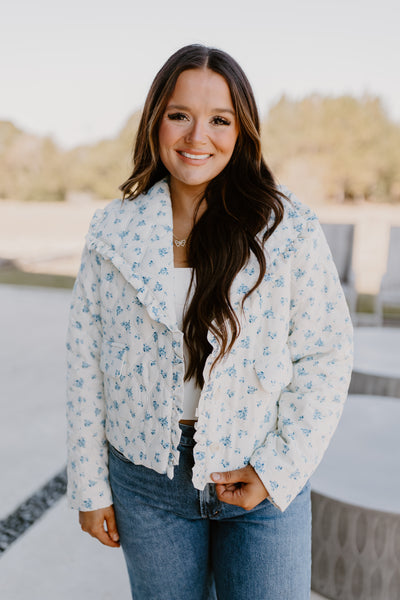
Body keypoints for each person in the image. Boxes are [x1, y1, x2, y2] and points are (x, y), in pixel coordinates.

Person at [66, 44, 353, 600]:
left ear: (241, 131)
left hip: (259, 470)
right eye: (180, 115)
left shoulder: (285, 228)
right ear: (156, 121)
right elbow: (86, 363)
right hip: (146, 483)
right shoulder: (112, 232)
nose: (198, 137)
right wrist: (89, 485)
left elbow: (325, 352)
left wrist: (278, 467)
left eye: (219, 120)